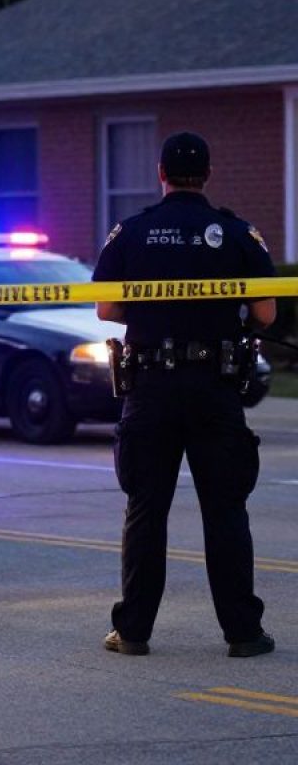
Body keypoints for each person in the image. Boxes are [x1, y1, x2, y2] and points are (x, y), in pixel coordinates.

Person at [93, 131, 276, 658]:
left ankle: (133, 631)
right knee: (225, 510)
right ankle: (242, 632)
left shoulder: (133, 231)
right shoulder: (237, 232)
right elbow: (265, 313)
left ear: (161, 174)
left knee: (146, 509)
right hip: (215, 388)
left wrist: (153, 309)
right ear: (209, 175)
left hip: (152, 386)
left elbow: (106, 308)